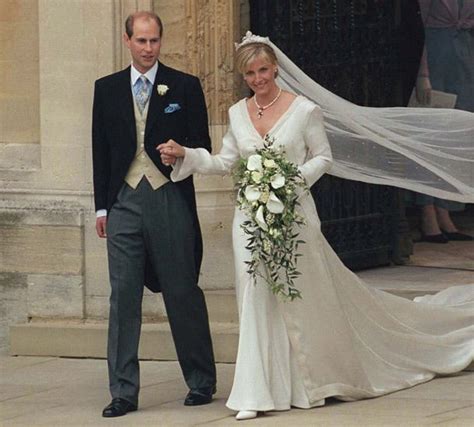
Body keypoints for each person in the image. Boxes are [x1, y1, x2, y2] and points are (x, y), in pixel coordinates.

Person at [158, 36, 474, 420]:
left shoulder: (304, 110)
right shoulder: (238, 112)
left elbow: (323, 156)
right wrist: (186, 155)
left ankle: (310, 383)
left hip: (294, 217)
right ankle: (257, 391)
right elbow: (227, 161)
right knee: (255, 298)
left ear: (274, 68)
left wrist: (290, 180)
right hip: (249, 221)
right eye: (250, 73)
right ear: (243, 76)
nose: (258, 78)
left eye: (263, 70)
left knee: (300, 300)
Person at [92, 11, 216, 418]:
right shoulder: (106, 89)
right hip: (124, 202)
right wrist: (101, 207)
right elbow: (101, 152)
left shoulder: (184, 85)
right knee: (123, 297)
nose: (148, 49)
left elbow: (203, 145)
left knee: (182, 290)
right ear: (127, 41)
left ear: (161, 41)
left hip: (169, 197)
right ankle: (123, 392)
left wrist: (180, 153)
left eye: (154, 41)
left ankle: (201, 382)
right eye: (141, 41)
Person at [414, 0, 474, 243]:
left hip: (463, 59)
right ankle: (427, 210)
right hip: (435, 58)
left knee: (451, 138)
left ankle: (444, 209)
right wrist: (422, 73)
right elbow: (419, 30)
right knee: (430, 139)